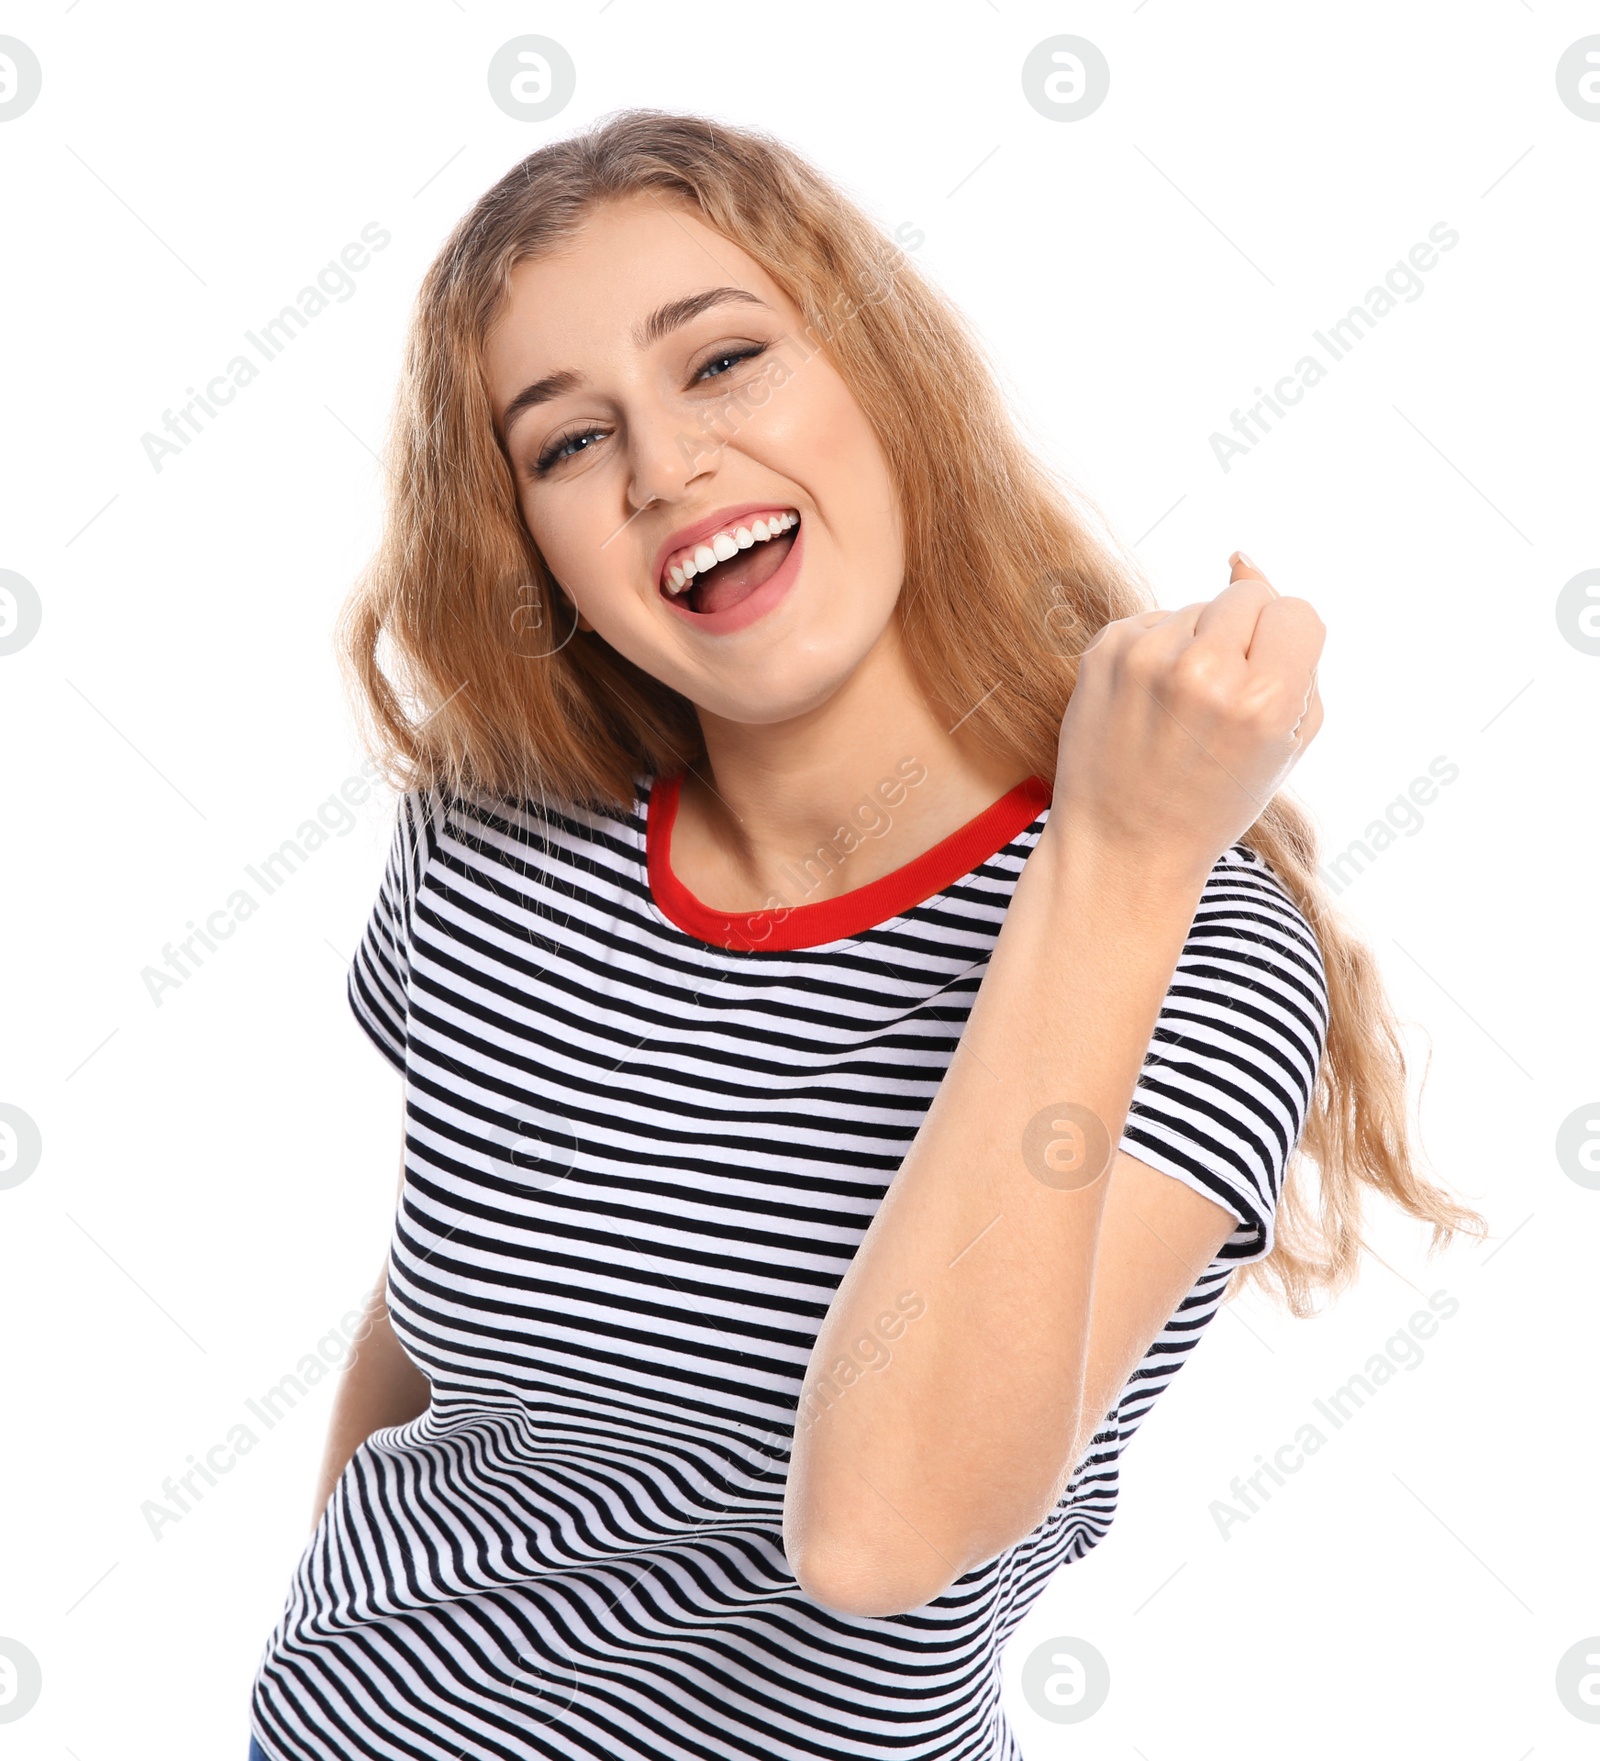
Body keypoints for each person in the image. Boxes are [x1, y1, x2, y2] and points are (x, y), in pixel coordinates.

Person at [246, 109, 1486, 1761]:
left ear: (877, 372)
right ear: (530, 540)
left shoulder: (1189, 940)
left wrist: (1117, 848)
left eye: (724, 360)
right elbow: (431, 1319)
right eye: (564, 442)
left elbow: (881, 1540)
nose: (667, 464)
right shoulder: (498, 833)